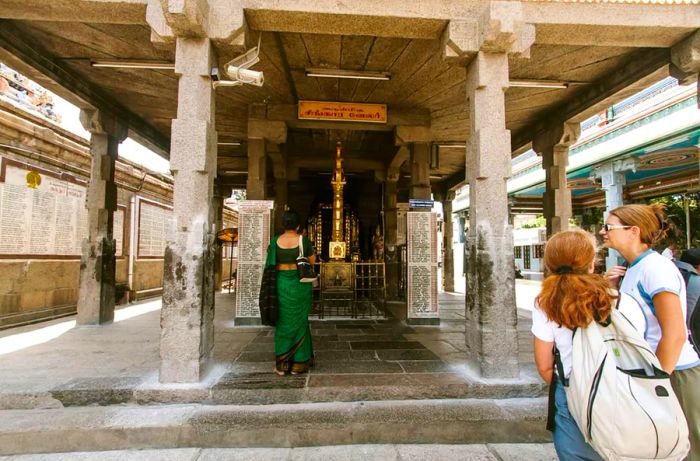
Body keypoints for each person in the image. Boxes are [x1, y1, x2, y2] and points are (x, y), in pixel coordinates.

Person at [602, 204, 700, 461]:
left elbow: (675, 334)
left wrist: (658, 381)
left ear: (634, 231)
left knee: (686, 448)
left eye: (609, 227)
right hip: (653, 371)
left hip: (674, 373)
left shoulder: (655, 269)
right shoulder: (632, 268)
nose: (603, 232)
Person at [532, 229, 612, 460]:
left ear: (549, 264)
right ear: (591, 263)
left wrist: (569, 390)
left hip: (571, 388)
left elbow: (545, 365)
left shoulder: (545, 305)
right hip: (617, 387)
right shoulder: (620, 298)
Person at [268, 210, 316, 376]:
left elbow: (270, 263)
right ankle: (299, 365)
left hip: (281, 284)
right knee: (300, 321)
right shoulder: (304, 240)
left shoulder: (275, 241)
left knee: (283, 322)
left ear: (283, 225)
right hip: (300, 284)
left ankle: (282, 365)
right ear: (297, 225)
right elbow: (311, 261)